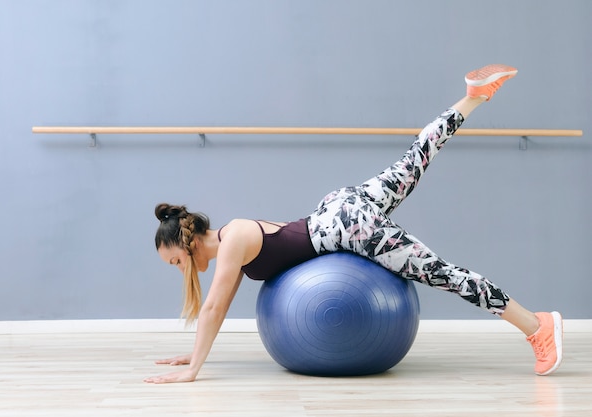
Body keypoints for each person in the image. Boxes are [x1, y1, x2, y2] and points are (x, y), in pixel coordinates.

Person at [144, 64, 563, 384]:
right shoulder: (231, 240)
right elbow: (220, 308)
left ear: (189, 242)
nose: (179, 270)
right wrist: (194, 354)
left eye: (175, 262)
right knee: (415, 158)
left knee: (443, 274)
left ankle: (537, 326)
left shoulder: (232, 239)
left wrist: (193, 369)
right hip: (340, 208)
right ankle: (472, 97)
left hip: (348, 227)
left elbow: (215, 306)